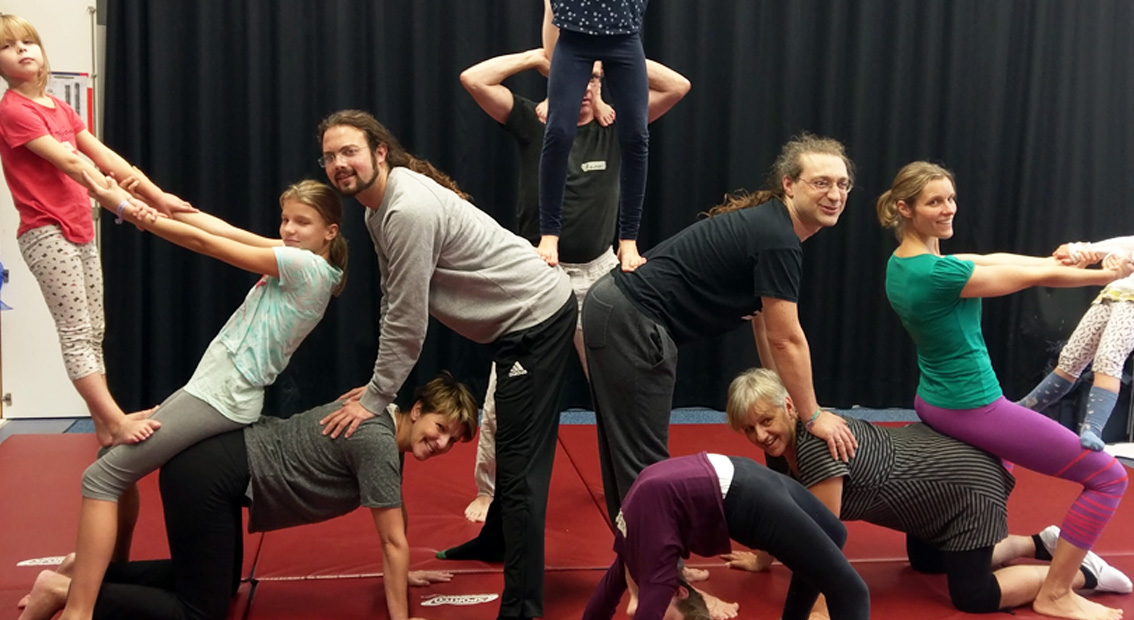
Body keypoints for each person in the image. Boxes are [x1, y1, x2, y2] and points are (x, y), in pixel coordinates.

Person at [316, 109, 576, 620]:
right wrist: (378, 388)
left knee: (521, 468)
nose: (339, 164)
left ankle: (522, 609)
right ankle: (497, 542)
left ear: (379, 152)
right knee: (509, 446)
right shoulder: (377, 211)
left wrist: (375, 398)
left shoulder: (406, 209)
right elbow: (395, 300)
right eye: (329, 156)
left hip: (536, 318)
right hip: (513, 324)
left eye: (349, 151)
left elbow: (408, 321)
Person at [56, 176, 346, 620]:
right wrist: (160, 203)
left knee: (100, 479)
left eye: (302, 222)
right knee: (109, 456)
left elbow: (208, 245)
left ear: (330, 232)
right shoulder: (300, 255)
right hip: (212, 389)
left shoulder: (305, 267)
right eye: (285, 218)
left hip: (222, 397)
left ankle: (78, 609)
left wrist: (127, 210)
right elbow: (223, 230)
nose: (289, 229)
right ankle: (109, 571)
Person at [878, 161, 1133, 620]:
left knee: (1002, 471)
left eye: (951, 198)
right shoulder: (938, 275)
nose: (948, 208)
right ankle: (1057, 592)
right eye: (934, 202)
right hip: (972, 406)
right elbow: (1030, 278)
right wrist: (1104, 275)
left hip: (934, 400)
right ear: (905, 208)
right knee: (1109, 478)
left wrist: (1069, 258)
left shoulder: (904, 264)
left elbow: (994, 259)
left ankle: (1037, 544)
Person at [17, 374, 477, 620]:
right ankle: (61, 590)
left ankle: (88, 568)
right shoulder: (376, 441)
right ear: (417, 410)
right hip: (210, 476)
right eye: (439, 428)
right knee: (201, 612)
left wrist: (403, 573)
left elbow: (395, 516)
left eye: (453, 440)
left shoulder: (378, 422)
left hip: (217, 470)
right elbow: (392, 540)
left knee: (214, 582)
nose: (441, 443)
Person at [458, 45, 690, 522]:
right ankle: (489, 491)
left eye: (593, 79)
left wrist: (614, 58)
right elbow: (474, 79)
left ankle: (635, 489)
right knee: (506, 389)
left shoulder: (617, 124)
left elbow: (677, 86)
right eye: (575, 75)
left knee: (620, 391)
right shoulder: (535, 122)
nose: (584, 87)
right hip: (537, 273)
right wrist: (540, 57)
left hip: (598, 275)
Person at [581, 132, 859, 527]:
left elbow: (765, 327)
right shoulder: (778, 238)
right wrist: (813, 415)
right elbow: (786, 338)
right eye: (821, 183)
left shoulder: (773, 227)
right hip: (630, 318)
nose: (834, 194)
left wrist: (783, 397)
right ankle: (656, 560)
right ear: (789, 184)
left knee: (628, 453)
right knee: (642, 461)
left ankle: (640, 549)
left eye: (842, 184)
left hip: (615, 310)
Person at [724, 367, 1133, 615]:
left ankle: (1077, 573)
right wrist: (762, 558)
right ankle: (1038, 543)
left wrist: (817, 609)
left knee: (973, 595)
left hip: (966, 485)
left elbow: (818, 541)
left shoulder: (815, 447)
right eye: (748, 429)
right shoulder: (782, 447)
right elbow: (786, 511)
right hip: (926, 499)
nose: (760, 435)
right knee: (927, 562)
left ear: (790, 407)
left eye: (766, 421)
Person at [0, 13, 193, 447]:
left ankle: (105, 423)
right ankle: (114, 420)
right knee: (76, 332)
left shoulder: (60, 108)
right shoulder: (13, 110)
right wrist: (125, 205)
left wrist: (157, 196)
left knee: (94, 330)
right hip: (46, 231)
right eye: (7, 47)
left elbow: (104, 157)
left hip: (80, 229)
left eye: (27, 41)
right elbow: (72, 163)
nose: (22, 50)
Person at [582, 452, 870, 620]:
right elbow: (604, 599)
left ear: (679, 590)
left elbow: (643, 610)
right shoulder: (635, 552)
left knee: (851, 592)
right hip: (741, 474)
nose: (651, 610)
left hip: (747, 496)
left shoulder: (656, 569)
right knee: (835, 534)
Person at [538, 0, 651, 271]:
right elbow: (550, 9)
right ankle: (550, 234)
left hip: (623, 35)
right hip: (574, 37)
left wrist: (598, 98)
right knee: (558, 133)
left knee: (636, 136)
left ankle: (628, 239)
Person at [1019, 234, 1134, 450]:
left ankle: (1093, 428)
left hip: (1131, 305)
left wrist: (1081, 250)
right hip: (1112, 294)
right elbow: (1126, 246)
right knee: (1071, 358)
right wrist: (1108, 255)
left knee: (1109, 358)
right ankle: (1025, 409)